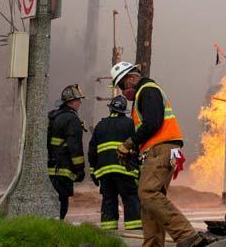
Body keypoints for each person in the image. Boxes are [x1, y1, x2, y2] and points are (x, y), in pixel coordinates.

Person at [111, 61, 209, 247]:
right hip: (164, 150)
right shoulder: (145, 93)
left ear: (132, 78)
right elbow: (149, 128)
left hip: (162, 149)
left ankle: (187, 236)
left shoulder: (147, 91)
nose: (123, 91)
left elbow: (153, 123)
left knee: (147, 192)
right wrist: (134, 152)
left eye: (122, 85)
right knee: (150, 201)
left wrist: (129, 143)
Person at [88, 95, 142, 232]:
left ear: (110, 109)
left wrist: (93, 170)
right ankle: (134, 230)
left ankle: (109, 231)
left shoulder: (100, 126)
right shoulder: (130, 124)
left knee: (108, 200)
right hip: (125, 170)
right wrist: (138, 168)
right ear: (124, 110)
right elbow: (136, 147)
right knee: (130, 198)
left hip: (105, 173)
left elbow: (92, 151)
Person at [47, 83, 86, 219]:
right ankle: (58, 225)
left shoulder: (52, 116)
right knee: (62, 201)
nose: (79, 103)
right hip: (63, 169)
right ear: (72, 101)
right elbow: (74, 147)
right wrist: (80, 169)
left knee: (52, 200)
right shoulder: (72, 119)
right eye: (78, 100)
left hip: (49, 167)